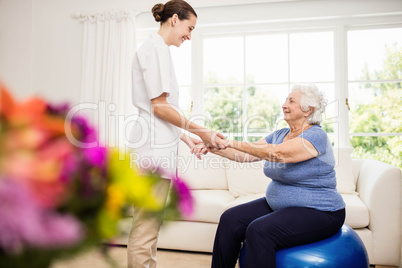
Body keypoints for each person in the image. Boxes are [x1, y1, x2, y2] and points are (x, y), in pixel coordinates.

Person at [193, 84, 346, 268]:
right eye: (285, 100)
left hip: (321, 211)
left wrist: (229, 142)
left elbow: (278, 154)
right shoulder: (280, 134)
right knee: (230, 219)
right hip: (280, 206)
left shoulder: (316, 135)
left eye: (291, 101)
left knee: (259, 231)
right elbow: (245, 155)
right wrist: (212, 147)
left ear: (308, 110)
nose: (284, 104)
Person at [128, 1, 226, 267]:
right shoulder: (155, 50)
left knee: (149, 226)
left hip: (156, 146)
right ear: (174, 19)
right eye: (189, 28)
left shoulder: (158, 49)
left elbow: (158, 110)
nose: (189, 36)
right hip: (152, 152)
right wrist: (203, 131)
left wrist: (185, 136)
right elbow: (159, 108)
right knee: (146, 229)